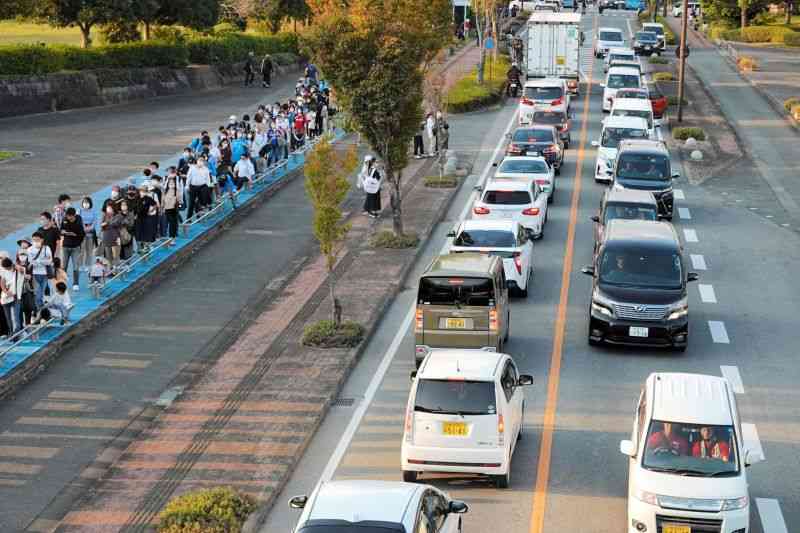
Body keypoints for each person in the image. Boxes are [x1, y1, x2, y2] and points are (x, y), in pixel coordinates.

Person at [60, 207, 85, 291]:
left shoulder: (78, 222)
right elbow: (61, 230)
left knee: (76, 266)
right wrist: (63, 232)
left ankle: (75, 283)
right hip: (65, 246)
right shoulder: (64, 220)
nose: (68, 218)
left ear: (74, 215)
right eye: (67, 216)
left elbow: (82, 234)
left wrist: (76, 237)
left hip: (75, 247)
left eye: (70, 216)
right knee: (64, 266)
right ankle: (63, 282)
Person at [28, 231, 53, 309]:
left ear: (42, 240)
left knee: (41, 293)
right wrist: (43, 261)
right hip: (35, 274)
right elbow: (31, 262)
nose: (35, 242)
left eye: (37, 240)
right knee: (38, 292)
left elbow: (49, 261)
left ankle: (41, 310)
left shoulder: (46, 248)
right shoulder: (30, 249)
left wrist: (39, 261)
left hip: (44, 273)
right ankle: (40, 309)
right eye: (34, 240)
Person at [0, 257, 22, 335]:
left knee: (15, 317)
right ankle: (11, 333)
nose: (5, 269)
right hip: (5, 298)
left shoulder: (17, 270)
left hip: (16, 297)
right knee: (8, 318)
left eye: (6, 267)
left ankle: (17, 334)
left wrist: (15, 266)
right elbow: (2, 283)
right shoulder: (4, 272)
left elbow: (21, 269)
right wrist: (6, 291)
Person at [80, 197, 97, 271]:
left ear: (90, 203)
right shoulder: (79, 211)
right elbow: (79, 220)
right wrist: (84, 228)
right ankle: (80, 265)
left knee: (89, 250)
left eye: (87, 203)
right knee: (81, 250)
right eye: (84, 202)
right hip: (82, 232)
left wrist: (90, 228)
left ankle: (88, 265)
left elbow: (95, 221)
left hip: (90, 232)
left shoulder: (93, 211)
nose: (85, 204)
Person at [163, 176, 182, 243]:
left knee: (172, 224)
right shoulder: (165, 191)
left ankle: (172, 238)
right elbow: (162, 200)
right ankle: (166, 237)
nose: (171, 184)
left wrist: (178, 206)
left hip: (173, 209)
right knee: (165, 224)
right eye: (170, 183)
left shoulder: (176, 191)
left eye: (173, 182)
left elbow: (179, 200)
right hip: (166, 209)